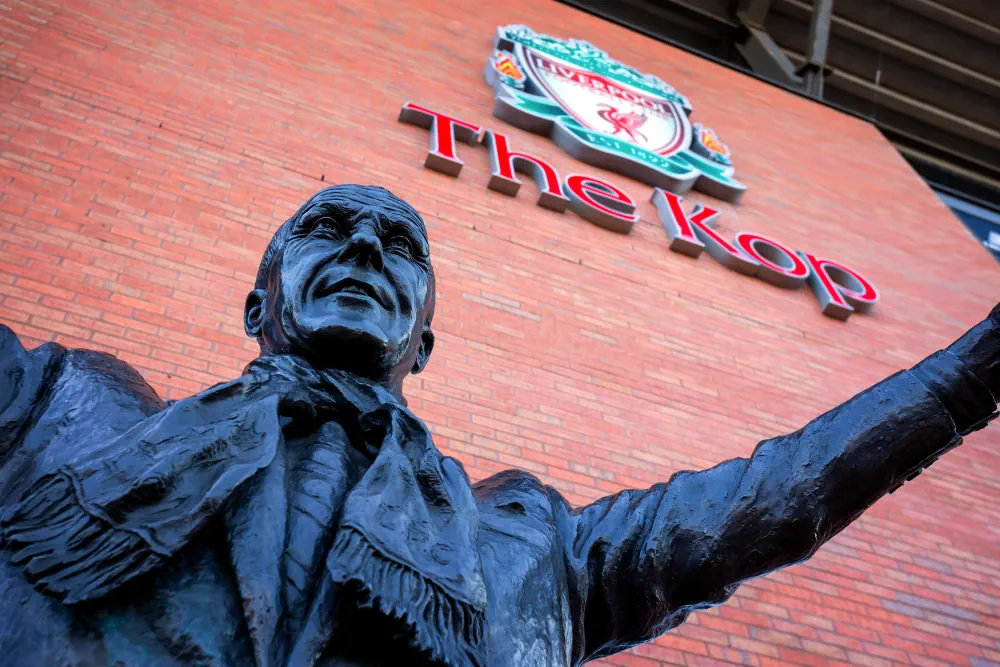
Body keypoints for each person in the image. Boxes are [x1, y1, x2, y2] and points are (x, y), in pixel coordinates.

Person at [0, 184, 997, 667]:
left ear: (422, 345)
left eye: (399, 244)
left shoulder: (526, 549)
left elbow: (779, 498)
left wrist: (973, 376)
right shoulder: (61, 413)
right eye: (324, 228)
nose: (363, 246)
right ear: (258, 309)